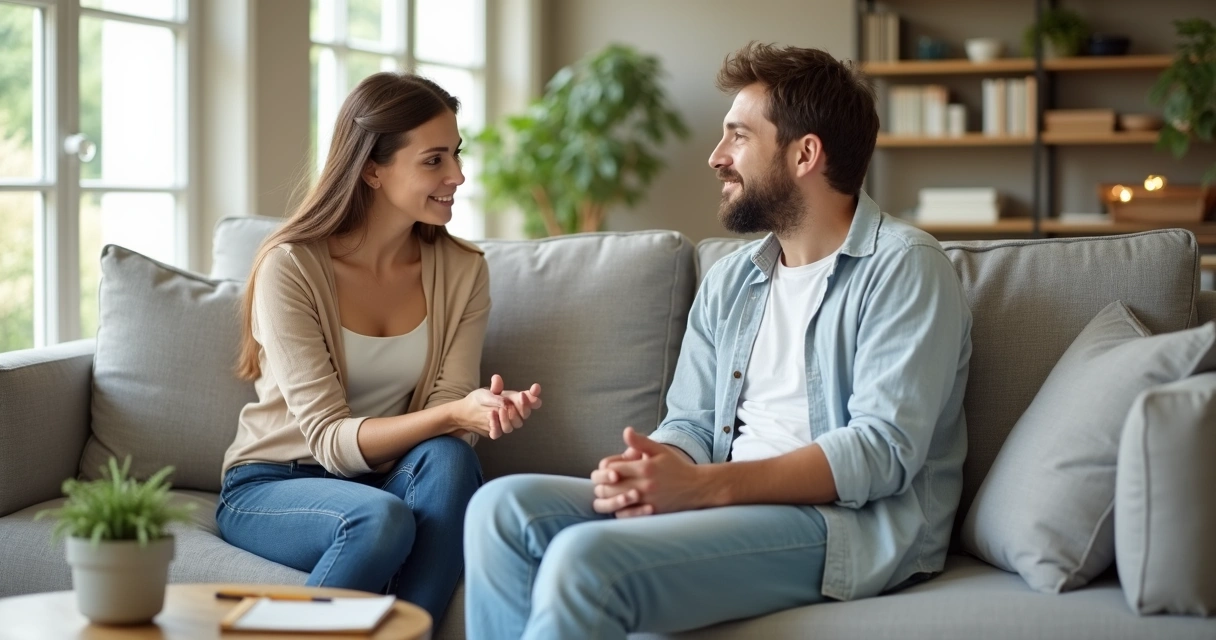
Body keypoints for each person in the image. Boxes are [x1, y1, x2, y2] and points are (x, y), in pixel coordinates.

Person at [463, 43, 972, 639]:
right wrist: (654, 471)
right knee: (501, 510)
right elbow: (696, 422)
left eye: (738, 136)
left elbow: (881, 451)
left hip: (846, 525)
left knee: (588, 564)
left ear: (806, 153)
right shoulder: (735, 278)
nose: (715, 156)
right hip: (731, 505)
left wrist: (703, 488)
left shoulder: (905, 266)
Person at [217, 72, 542, 623]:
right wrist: (454, 413)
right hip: (276, 482)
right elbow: (328, 440)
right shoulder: (291, 267)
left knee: (451, 456)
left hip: (390, 477)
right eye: (434, 160)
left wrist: (472, 414)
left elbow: (446, 415)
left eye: (457, 155)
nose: (459, 176)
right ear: (372, 168)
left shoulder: (464, 272)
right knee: (378, 519)